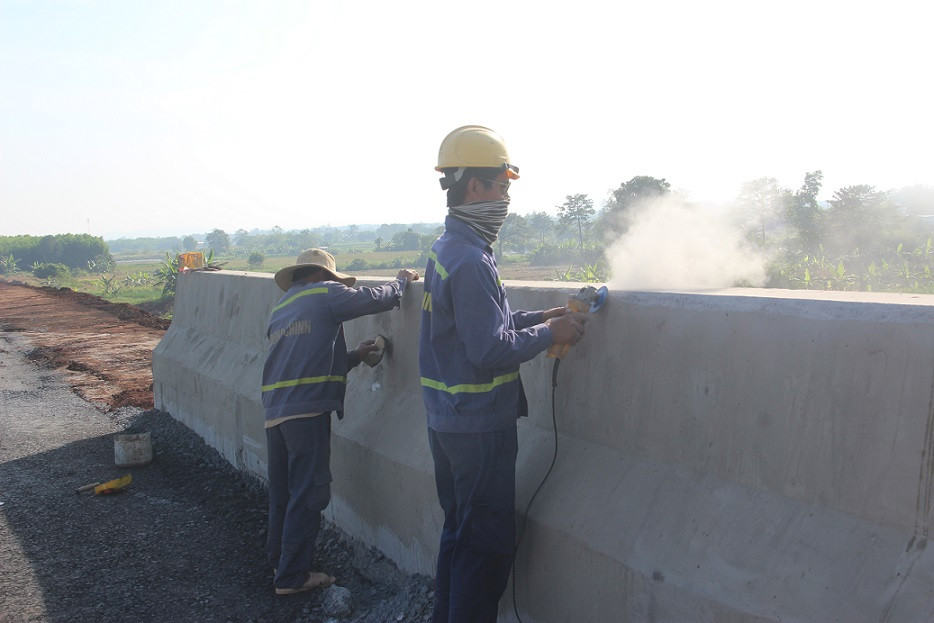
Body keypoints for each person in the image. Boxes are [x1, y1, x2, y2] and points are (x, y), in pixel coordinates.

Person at [419, 126, 588, 621]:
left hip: (447, 423)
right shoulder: (471, 260)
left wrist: (544, 318)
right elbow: (490, 349)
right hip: (479, 428)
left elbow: (477, 327)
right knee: (485, 547)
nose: (507, 198)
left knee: (458, 533)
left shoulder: (445, 251)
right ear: (476, 187)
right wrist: (549, 336)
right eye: (503, 185)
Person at [262, 248, 419, 595]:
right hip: (306, 413)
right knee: (308, 492)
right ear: (324, 276)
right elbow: (371, 299)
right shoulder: (326, 294)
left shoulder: (284, 306)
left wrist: (355, 357)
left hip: (276, 412)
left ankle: (280, 562)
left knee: (283, 493)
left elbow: (307, 361)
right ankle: (291, 577)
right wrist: (401, 282)